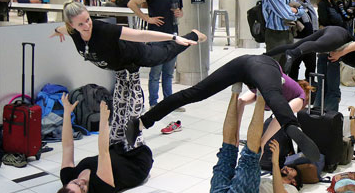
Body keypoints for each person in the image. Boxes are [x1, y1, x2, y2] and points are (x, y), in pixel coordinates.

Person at [51, 1, 204, 141]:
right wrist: (57, 30)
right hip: (120, 68)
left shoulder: (103, 30)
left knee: (164, 54)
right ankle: (118, 139)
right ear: (72, 25)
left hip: (135, 55)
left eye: (88, 20)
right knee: (120, 104)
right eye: (80, 24)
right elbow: (63, 29)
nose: (86, 25)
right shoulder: (72, 32)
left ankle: (193, 35)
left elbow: (140, 35)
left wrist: (173, 37)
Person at [125, 54, 321, 161]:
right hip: (266, 68)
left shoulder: (280, 86)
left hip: (245, 64)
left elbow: (242, 102)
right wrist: (261, 143)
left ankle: (142, 122)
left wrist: (234, 136)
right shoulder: (301, 97)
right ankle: (292, 127)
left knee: (195, 93)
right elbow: (278, 117)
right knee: (275, 100)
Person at [207, 92, 301, 193]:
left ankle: (263, 92)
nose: (286, 167)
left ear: (294, 182)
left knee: (250, 156)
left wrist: (275, 163)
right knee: (228, 150)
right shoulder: (267, 180)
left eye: (291, 170)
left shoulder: (293, 191)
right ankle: (235, 90)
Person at [51, 94, 153, 193]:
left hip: (117, 150)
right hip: (137, 161)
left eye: (75, 183)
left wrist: (67, 113)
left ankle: (125, 76)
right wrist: (103, 121)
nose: (81, 182)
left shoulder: (67, 177)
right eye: (82, 189)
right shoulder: (100, 191)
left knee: (120, 104)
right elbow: (103, 152)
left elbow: (67, 146)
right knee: (133, 116)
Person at [266, 25, 355, 113]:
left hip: (334, 33)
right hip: (339, 34)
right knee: (317, 45)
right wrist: (339, 54)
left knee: (296, 45)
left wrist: (338, 55)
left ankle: (266, 55)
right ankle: (293, 54)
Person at [127, 0, 183, 108]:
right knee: (155, 73)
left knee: (169, 73)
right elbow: (132, 3)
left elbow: (181, 12)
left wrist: (179, 13)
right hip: (156, 37)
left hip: (173, 36)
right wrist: (147, 18)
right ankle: (154, 104)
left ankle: (169, 103)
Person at [262, 0, 300, 67]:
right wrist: (293, 11)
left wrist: (294, 10)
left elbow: (301, 9)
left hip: (288, 32)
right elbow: (286, 15)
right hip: (275, 35)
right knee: (273, 65)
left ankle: (282, 83)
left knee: (286, 65)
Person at [287, 0, 318, 82]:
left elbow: (312, 20)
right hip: (297, 41)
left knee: (311, 66)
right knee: (294, 66)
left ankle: (310, 89)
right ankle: (293, 89)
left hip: (310, 40)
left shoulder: (307, 4)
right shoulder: (292, 4)